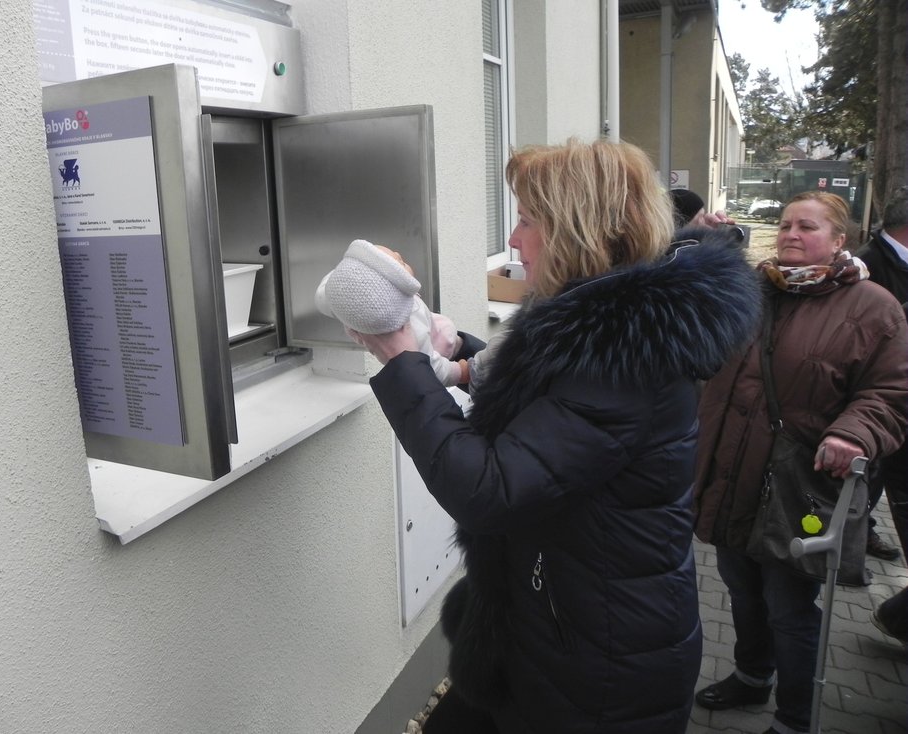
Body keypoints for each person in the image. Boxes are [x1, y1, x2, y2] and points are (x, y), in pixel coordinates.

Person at [348, 138, 762, 733]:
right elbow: (547, 397)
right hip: (553, 623)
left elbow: (488, 489)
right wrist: (459, 356)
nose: (512, 240)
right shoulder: (604, 327)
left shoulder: (621, 361)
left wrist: (399, 359)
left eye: (524, 220)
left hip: (597, 670)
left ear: (579, 230)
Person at [693, 191, 908, 734]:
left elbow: (890, 393)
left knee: (788, 607)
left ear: (839, 241)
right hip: (732, 473)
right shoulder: (751, 291)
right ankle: (750, 675)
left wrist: (853, 433)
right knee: (740, 588)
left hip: (798, 486)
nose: (791, 233)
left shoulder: (873, 307)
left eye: (807, 227)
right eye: (786, 223)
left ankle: (794, 719)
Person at [315, 239, 471, 388]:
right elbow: (430, 366)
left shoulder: (346, 304)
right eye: (401, 263)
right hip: (442, 346)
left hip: (433, 329)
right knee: (447, 332)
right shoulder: (412, 327)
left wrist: (348, 276)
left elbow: (324, 293)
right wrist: (459, 372)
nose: (398, 252)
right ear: (393, 293)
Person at [856, 185, 908, 562]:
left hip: (893, 392)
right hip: (875, 397)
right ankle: (849, 541)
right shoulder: (869, 265)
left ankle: (859, 531)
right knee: (871, 475)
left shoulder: (895, 259)